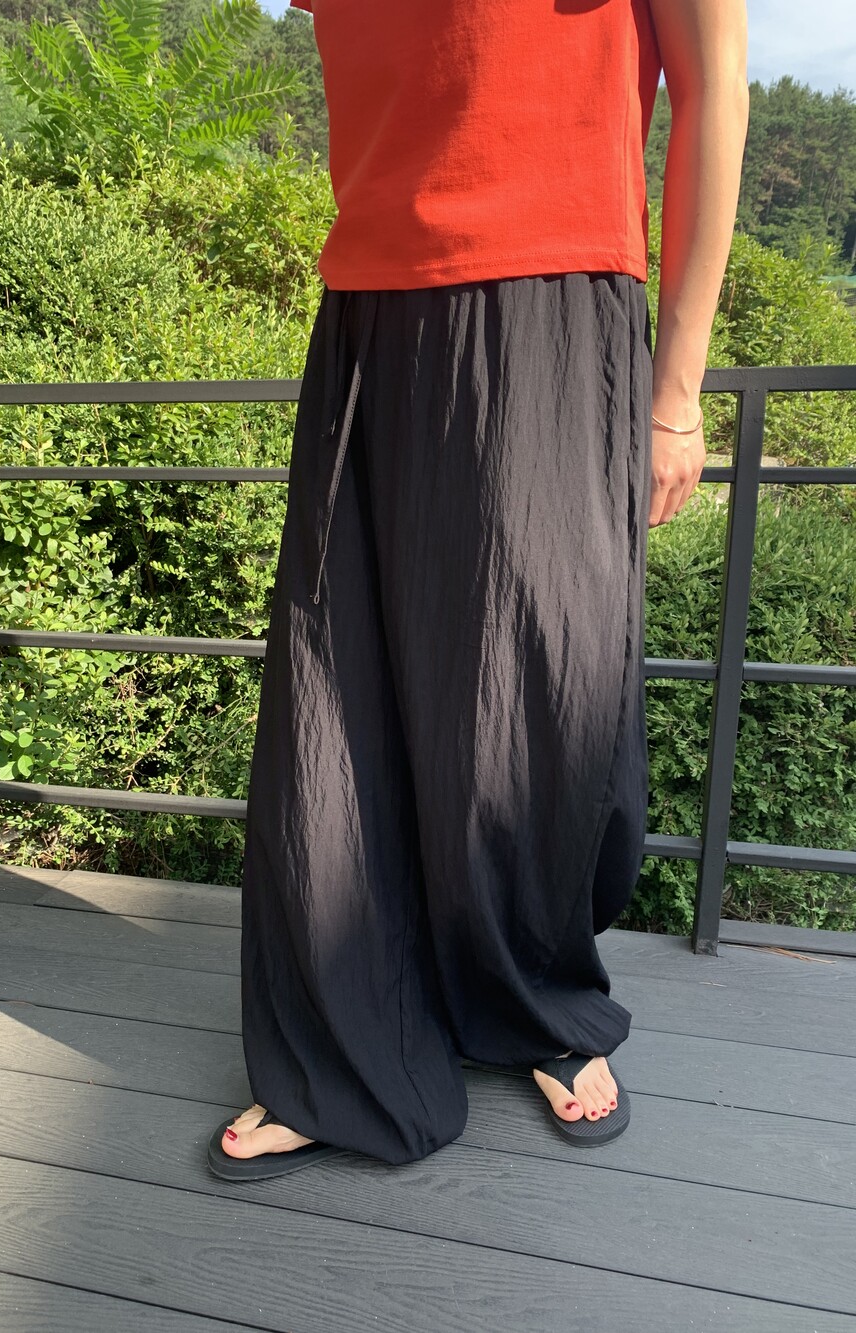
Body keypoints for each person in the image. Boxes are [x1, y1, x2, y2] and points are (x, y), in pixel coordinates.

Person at [208, 0, 750, 1180]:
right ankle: (342, 1044)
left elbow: (715, 84)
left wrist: (676, 392)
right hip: (364, 308)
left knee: (536, 695)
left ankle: (531, 998)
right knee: (338, 690)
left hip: (550, 299)